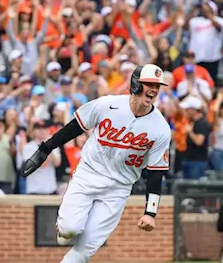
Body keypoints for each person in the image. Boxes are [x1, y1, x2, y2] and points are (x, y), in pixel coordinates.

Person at [21, 64, 172, 263]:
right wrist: (45, 149)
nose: (153, 90)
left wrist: (150, 212)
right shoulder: (108, 105)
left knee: (86, 249)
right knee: (69, 230)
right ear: (136, 84)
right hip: (88, 175)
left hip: (118, 188)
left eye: (157, 86)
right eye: (149, 84)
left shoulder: (160, 128)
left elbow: (155, 172)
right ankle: (65, 230)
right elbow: (76, 126)